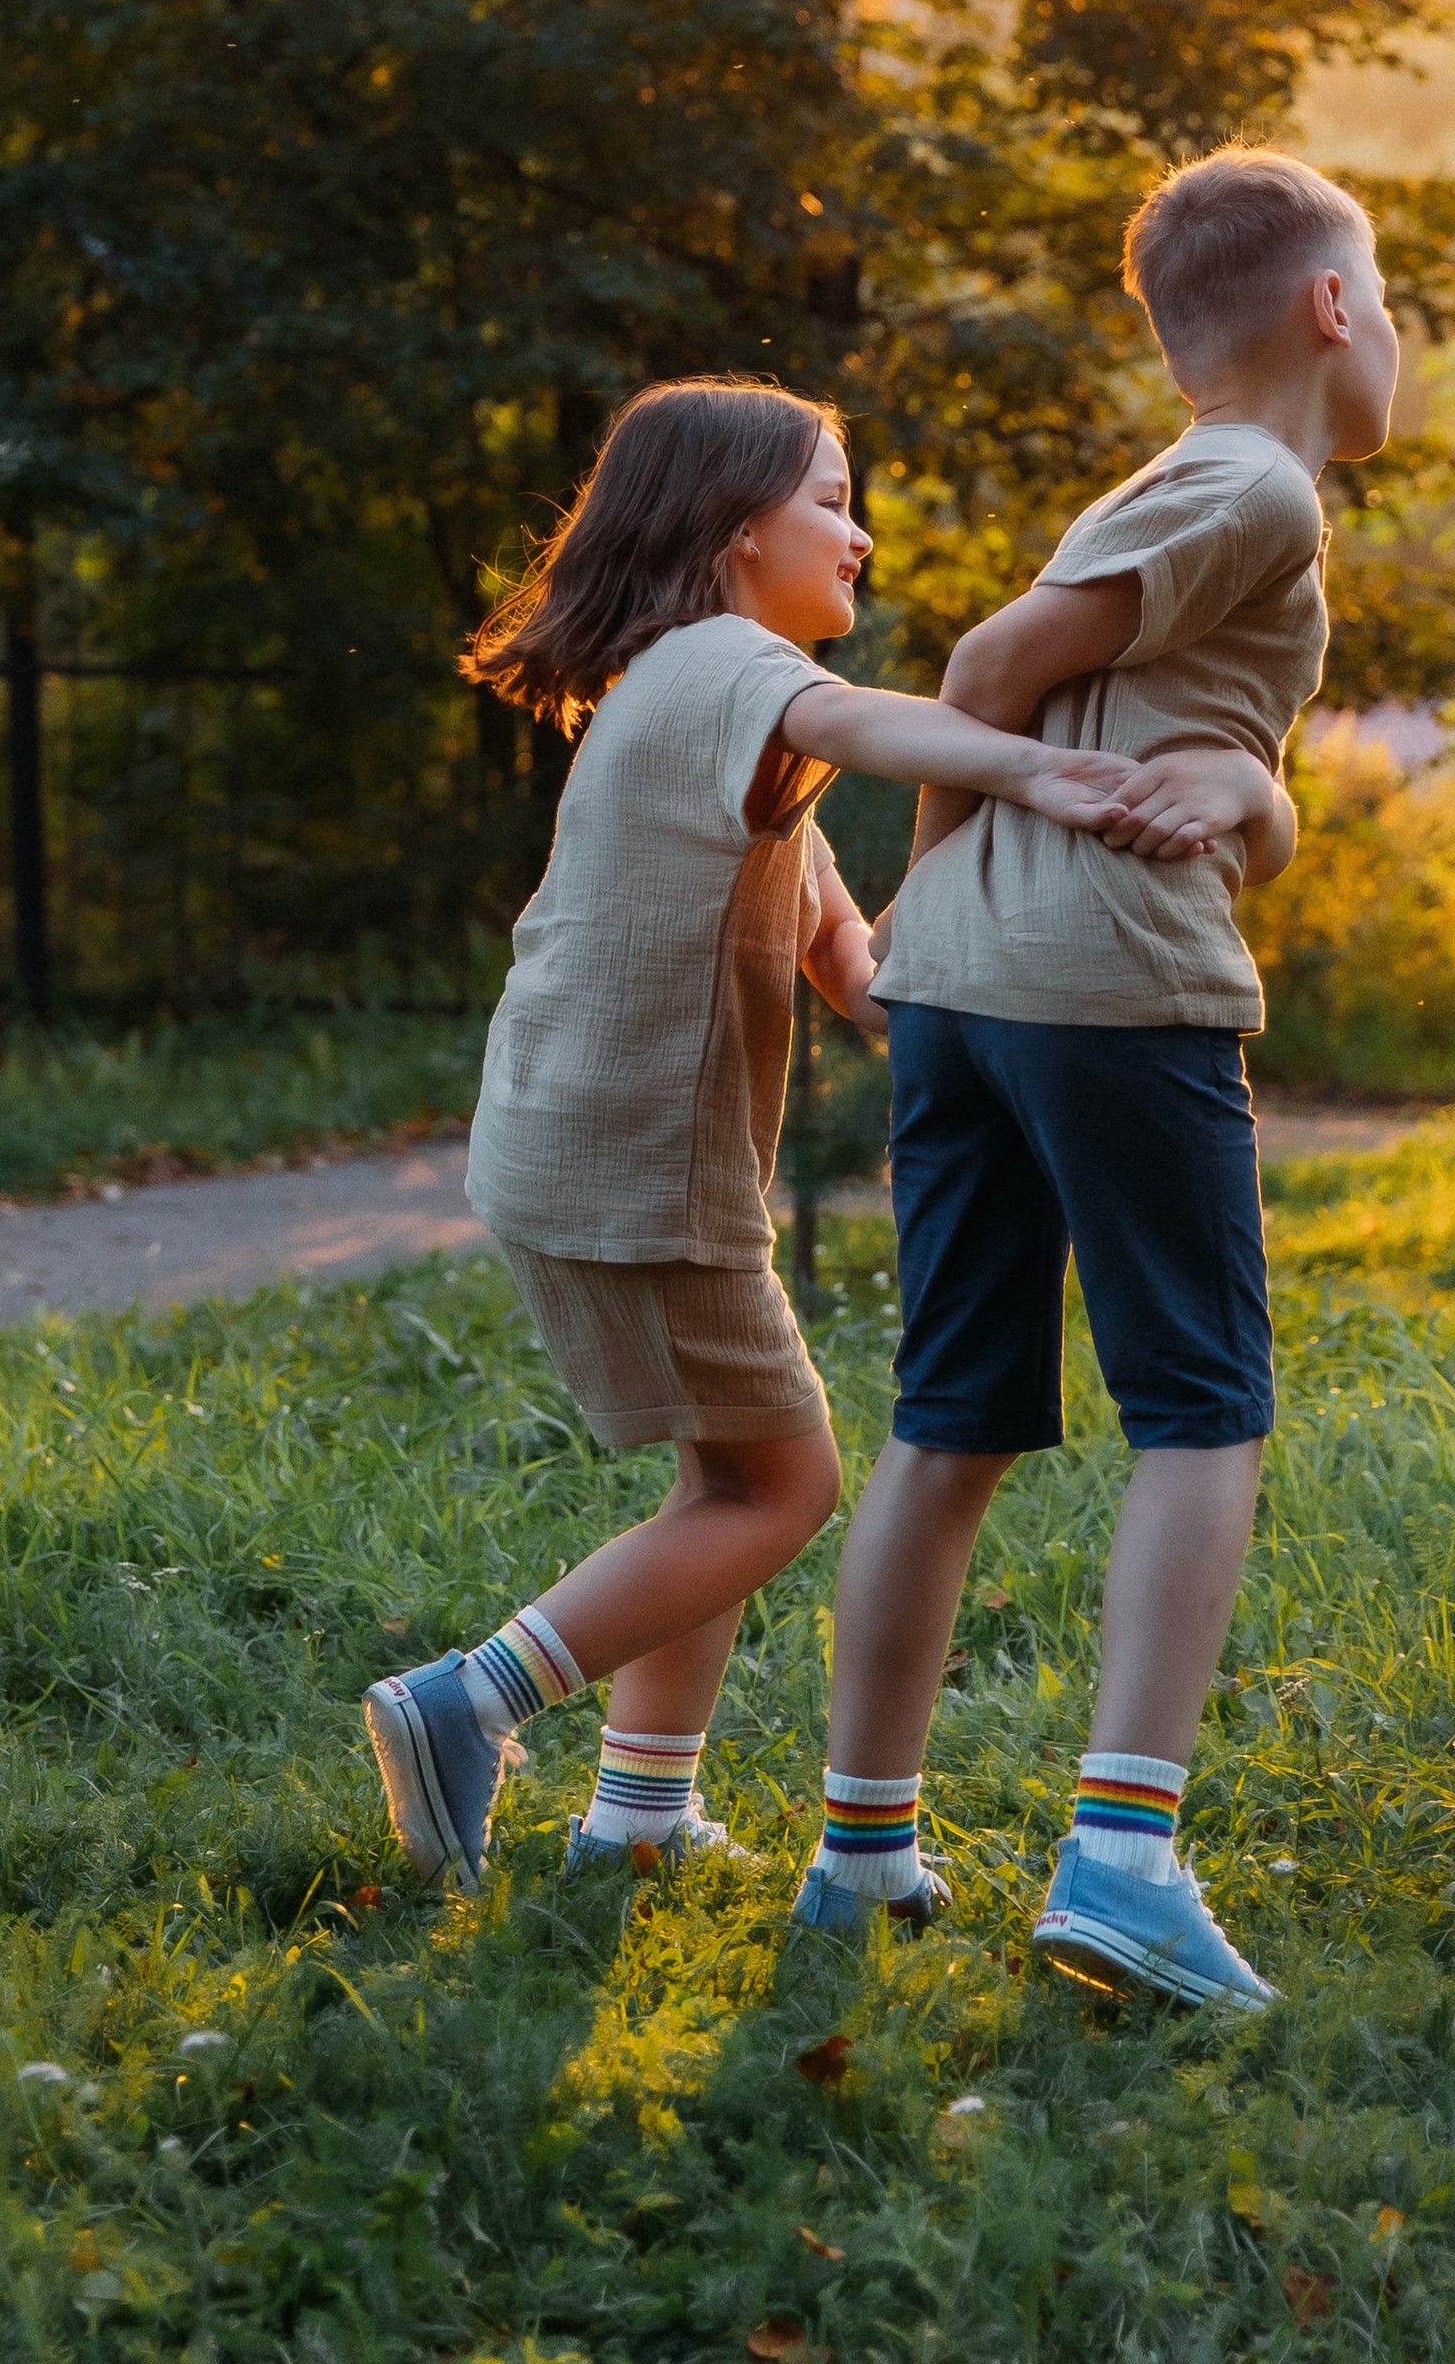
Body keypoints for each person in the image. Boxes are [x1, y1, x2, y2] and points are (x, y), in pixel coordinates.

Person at [363, 377, 1210, 1894]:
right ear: (734, 531)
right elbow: (855, 716)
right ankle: (466, 1703)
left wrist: (1008, 1036)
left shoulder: (714, 729)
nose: (860, 532)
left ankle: (636, 1817)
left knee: (723, 1488)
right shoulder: (718, 668)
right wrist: (1029, 763)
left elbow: (860, 973)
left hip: (586, 1157)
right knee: (783, 1490)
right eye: (830, 497)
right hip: (637, 1174)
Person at [792, 150, 1398, 2011]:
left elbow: (1194, 758)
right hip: (1105, 987)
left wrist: (1253, 799)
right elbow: (993, 662)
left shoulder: (1187, 485)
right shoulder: (1253, 483)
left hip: (987, 992)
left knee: (954, 1411)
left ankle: (860, 1853)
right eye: (1389, 301)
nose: (1394, 340)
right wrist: (921, 880)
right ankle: (1124, 1859)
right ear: (1325, 311)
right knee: (1203, 1409)